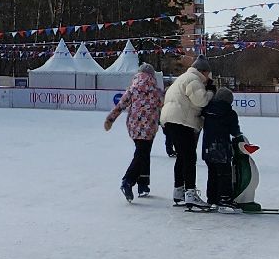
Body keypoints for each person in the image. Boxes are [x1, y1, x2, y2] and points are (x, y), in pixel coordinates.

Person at [159, 57, 217, 206]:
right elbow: (201, 101)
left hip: (171, 119)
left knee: (182, 157)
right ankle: (190, 192)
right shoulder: (193, 79)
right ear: (203, 71)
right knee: (190, 157)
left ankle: (178, 190)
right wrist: (210, 92)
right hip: (181, 121)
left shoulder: (182, 78)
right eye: (208, 74)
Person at [104, 63, 164, 201]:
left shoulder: (133, 89)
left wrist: (110, 119)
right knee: (142, 154)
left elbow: (121, 105)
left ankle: (143, 184)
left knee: (143, 153)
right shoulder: (156, 90)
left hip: (134, 126)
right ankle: (128, 181)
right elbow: (164, 105)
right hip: (149, 127)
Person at [199, 86, 249, 208]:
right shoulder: (230, 113)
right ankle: (225, 198)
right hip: (221, 148)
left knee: (212, 173)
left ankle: (212, 198)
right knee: (225, 174)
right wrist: (239, 137)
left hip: (208, 147)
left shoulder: (207, 111)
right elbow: (234, 131)